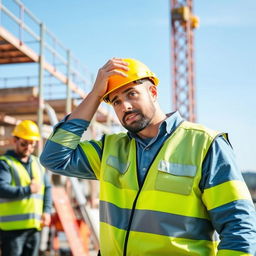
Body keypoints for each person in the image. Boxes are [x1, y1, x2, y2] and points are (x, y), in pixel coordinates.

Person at [40, 58, 256, 256]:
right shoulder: (109, 148)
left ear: (153, 92)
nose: (124, 105)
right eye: (115, 101)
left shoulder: (205, 144)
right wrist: (95, 95)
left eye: (132, 94)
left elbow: (239, 228)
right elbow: (54, 157)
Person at [0, 120, 52, 256]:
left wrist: (46, 211)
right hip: (12, 231)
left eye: (32, 144)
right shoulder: (5, 164)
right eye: (24, 143)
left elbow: (47, 188)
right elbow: (1, 189)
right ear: (14, 140)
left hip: (34, 228)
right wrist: (28, 190)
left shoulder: (37, 163)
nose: (28, 148)